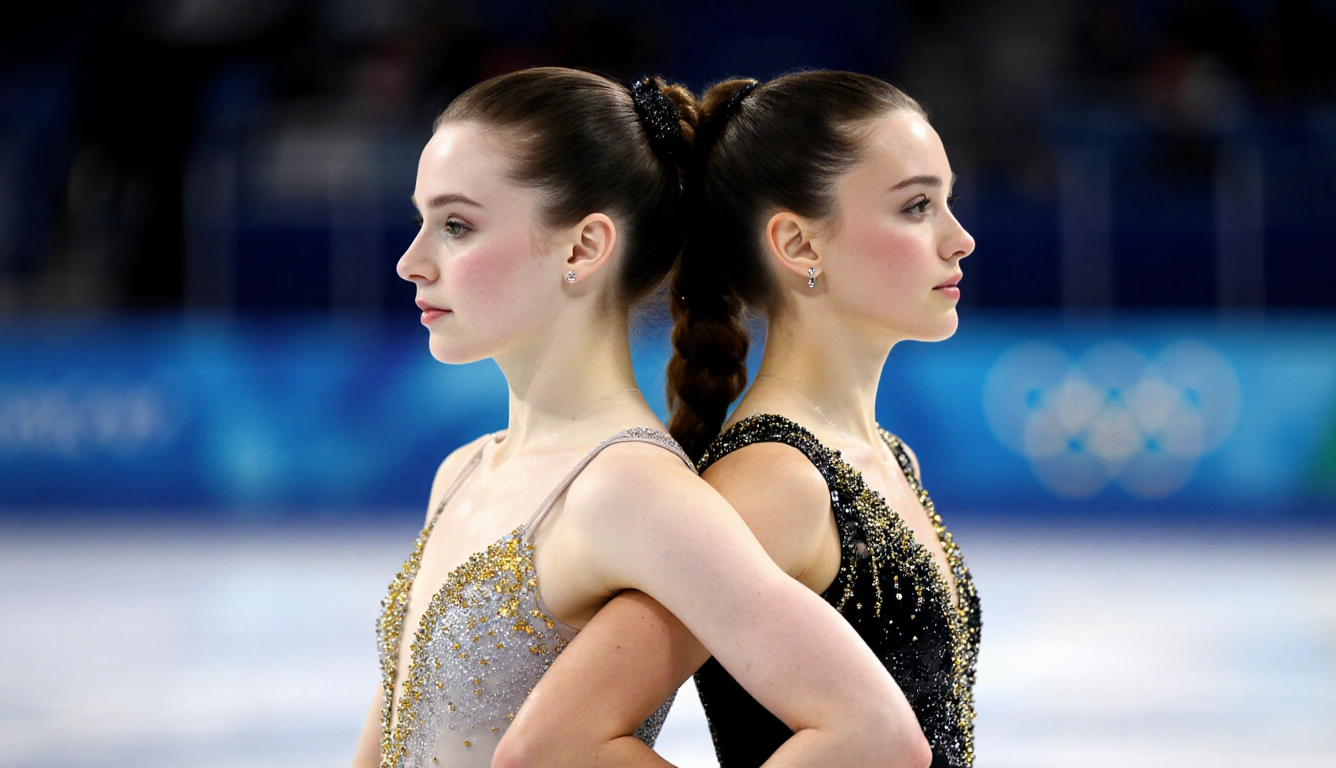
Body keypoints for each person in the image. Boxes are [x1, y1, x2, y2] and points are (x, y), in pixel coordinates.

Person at [349, 67, 930, 768]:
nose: (413, 260)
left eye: (456, 225)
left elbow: (873, 731)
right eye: (423, 221)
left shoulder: (630, 491)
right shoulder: (462, 471)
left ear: (585, 247)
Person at [501, 70, 980, 768]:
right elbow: (551, 748)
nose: (959, 238)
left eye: (948, 203)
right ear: (799, 245)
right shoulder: (773, 484)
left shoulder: (881, 455)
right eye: (917, 207)